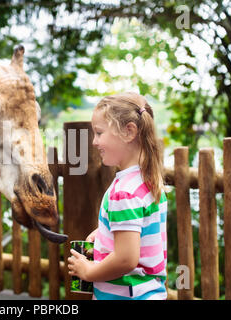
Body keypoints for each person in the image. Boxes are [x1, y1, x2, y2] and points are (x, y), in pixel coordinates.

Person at [67, 92, 168, 300]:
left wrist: (88, 271)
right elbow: (143, 229)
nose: (94, 142)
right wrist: (106, 231)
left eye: (99, 133)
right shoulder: (147, 180)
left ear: (128, 132)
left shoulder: (124, 192)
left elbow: (126, 259)